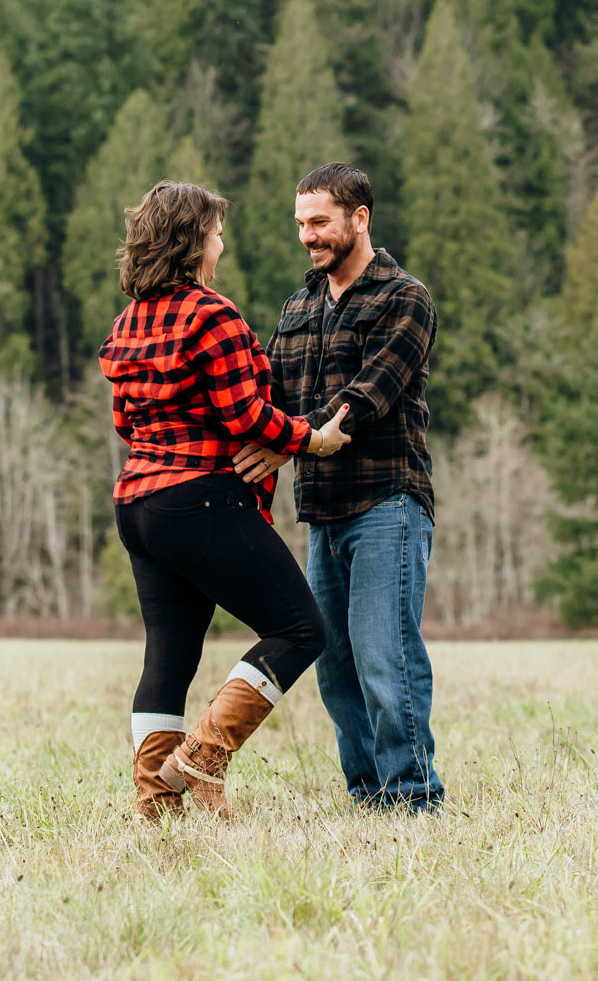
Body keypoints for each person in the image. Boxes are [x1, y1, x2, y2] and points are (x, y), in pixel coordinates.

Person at [98, 180, 353, 820]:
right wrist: (312, 439)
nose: (222, 242)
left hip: (139, 504)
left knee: (169, 653)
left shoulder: (128, 321)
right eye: (215, 232)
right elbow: (248, 416)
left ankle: (157, 803)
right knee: (299, 629)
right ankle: (203, 754)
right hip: (199, 498)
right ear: (192, 243)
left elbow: (126, 422)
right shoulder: (212, 315)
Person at [234, 163, 443, 810]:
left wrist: (283, 440)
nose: (308, 236)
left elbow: (366, 398)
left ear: (360, 218)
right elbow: (264, 397)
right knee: (337, 669)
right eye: (300, 223)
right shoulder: (297, 308)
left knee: (385, 656)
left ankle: (412, 798)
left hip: (388, 503)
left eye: (319, 221)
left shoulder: (404, 299)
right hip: (321, 512)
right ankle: (368, 796)